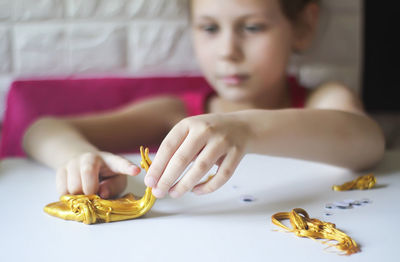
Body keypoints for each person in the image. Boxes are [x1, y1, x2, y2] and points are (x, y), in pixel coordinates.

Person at [23, 0, 385, 200]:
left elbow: (367, 142)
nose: (228, 51)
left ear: (304, 26)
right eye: (210, 28)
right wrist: (78, 160)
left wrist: (244, 127)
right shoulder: (178, 112)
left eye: (252, 27)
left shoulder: (325, 96)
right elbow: (42, 129)